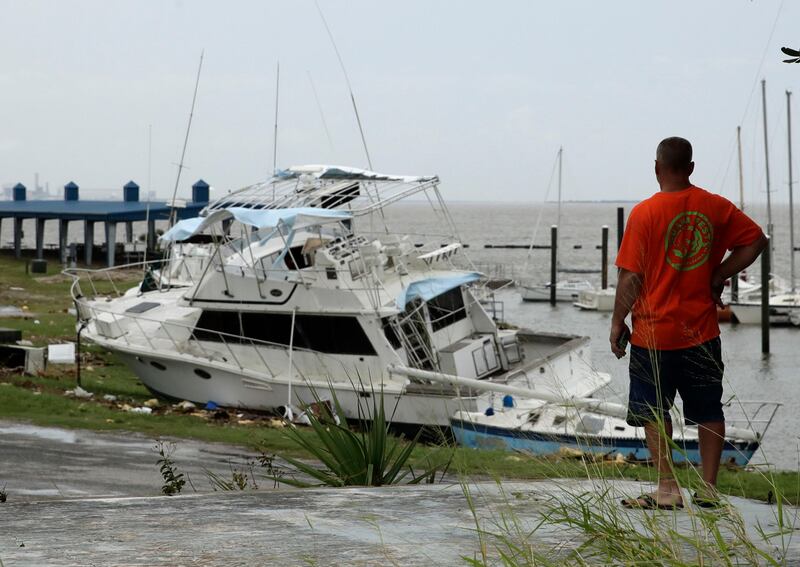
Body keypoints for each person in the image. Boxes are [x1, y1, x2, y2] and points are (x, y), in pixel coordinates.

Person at [611, 137, 767, 510]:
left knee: (653, 410)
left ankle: (667, 488)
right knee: (709, 409)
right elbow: (756, 241)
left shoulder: (644, 214)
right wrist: (718, 273)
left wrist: (618, 321)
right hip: (701, 333)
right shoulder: (715, 206)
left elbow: (630, 277)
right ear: (691, 168)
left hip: (653, 335)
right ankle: (709, 489)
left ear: (656, 168)